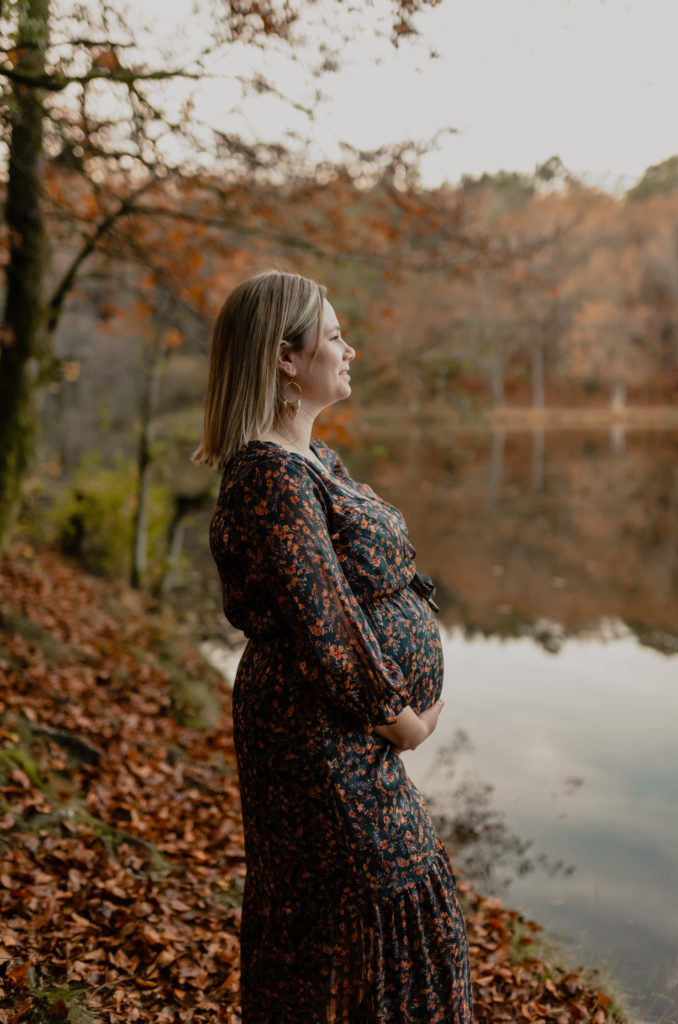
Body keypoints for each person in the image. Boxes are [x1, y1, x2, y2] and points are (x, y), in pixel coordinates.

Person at [194, 269, 474, 1023]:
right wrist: (400, 719)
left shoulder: (313, 460)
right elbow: (326, 620)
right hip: (322, 736)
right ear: (286, 359)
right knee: (376, 904)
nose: (350, 351)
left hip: (339, 731)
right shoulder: (269, 476)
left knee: (366, 911)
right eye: (336, 336)